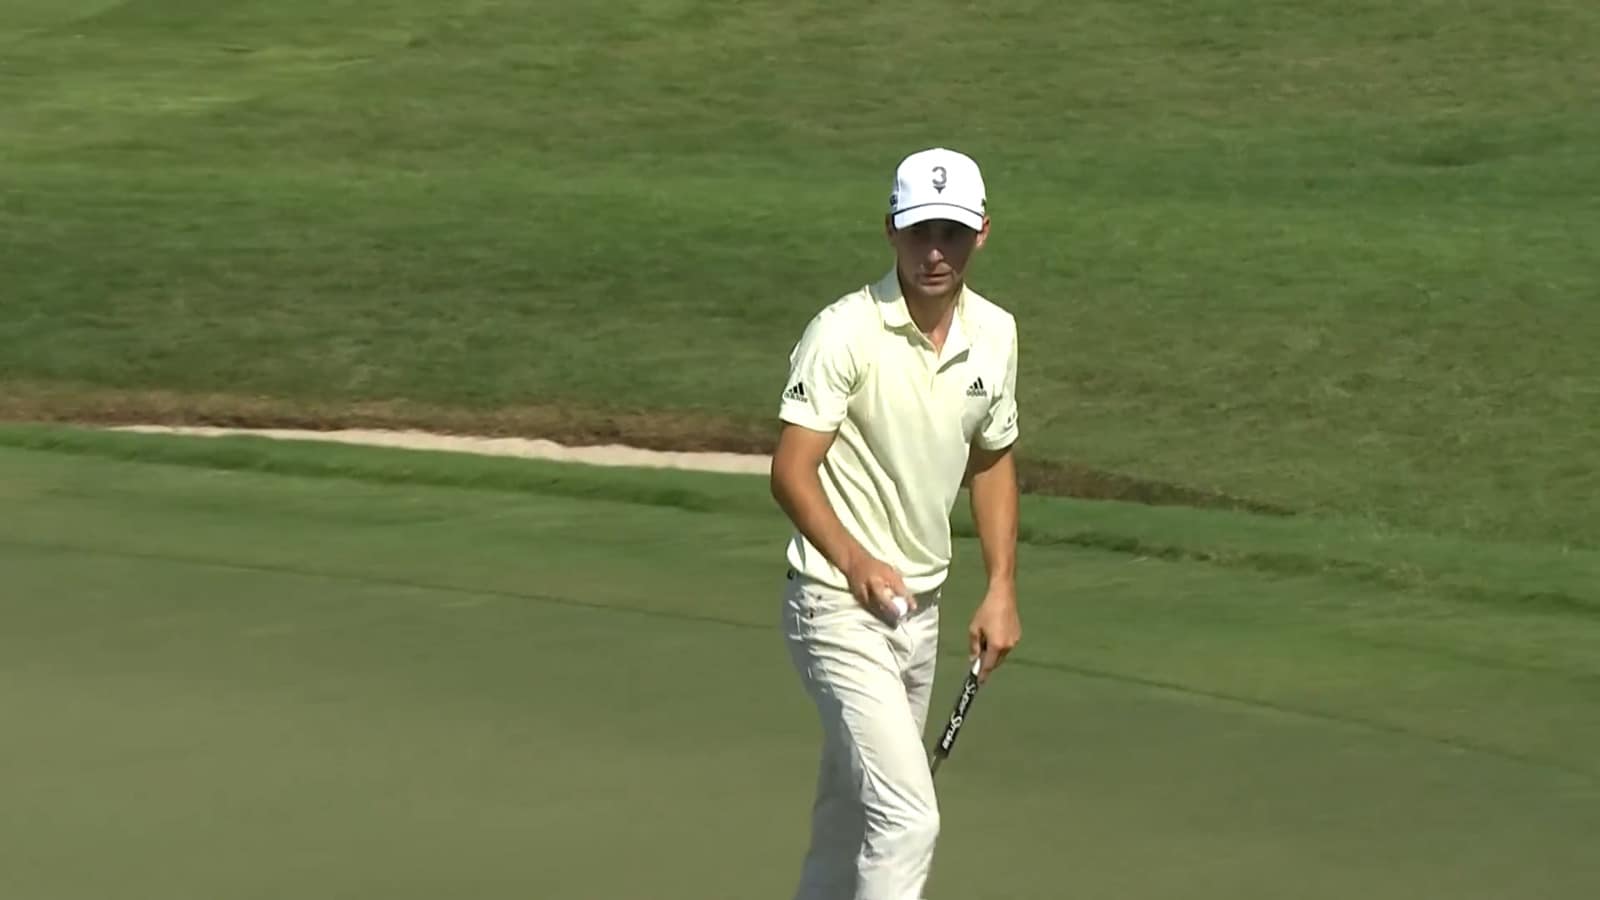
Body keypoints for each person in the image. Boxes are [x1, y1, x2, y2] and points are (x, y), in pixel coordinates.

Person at [770, 146, 1023, 900]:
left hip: (920, 614)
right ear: (891, 231)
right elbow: (791, 470)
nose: (934, 252)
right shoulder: (843, 332)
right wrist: (854, 561)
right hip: (834, 605)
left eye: (952, 232)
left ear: (982, 232)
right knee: (909, 819)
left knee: (852, 815)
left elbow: (993, 460)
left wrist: (1001, 586)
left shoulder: (996, 334)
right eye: (919, 232)